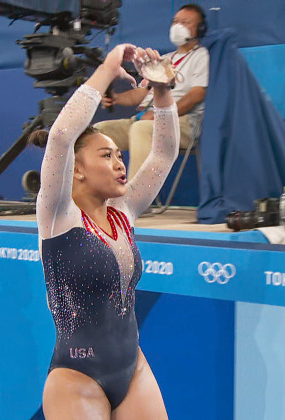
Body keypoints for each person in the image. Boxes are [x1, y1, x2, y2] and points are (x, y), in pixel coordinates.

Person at [36, 43, 179, 419]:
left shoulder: (123, 211)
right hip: (77, 377)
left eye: (119, 155)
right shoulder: (57, 216)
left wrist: (161, 90)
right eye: (106, 155)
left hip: (132, 369)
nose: (120, 164)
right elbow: (63, 136)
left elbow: (163, 153)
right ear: (76, 169)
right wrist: (107, 69)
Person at [95, 3, 208, 180]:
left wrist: (161, 115)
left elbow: (197, 94)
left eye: (185, 22)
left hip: (184, 124)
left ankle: (132, 201)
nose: (178, 26)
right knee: (98, 132)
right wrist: (115, 98)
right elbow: (142, 93)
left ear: (200, 29)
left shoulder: (202, 56)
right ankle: (98, 195)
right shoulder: (164, 59)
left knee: (141, 129)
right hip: (148, 120)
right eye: (176, 21)